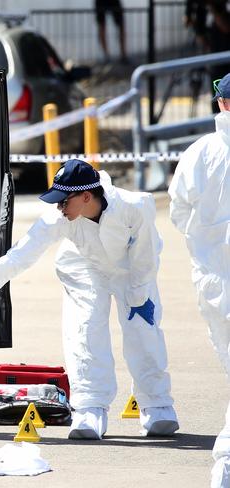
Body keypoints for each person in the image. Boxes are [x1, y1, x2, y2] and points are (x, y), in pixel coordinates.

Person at [0, 159, 179, 440]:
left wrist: (138, 296)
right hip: (84, 266)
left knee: (144, 333)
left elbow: (145, 258)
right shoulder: (58, 217)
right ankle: (90, 407)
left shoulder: (136, 207)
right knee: (84, 330)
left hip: (132, 269)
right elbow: (20, 256)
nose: (59, 206)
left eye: (64, 200)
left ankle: (157, 404)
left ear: (87, 196)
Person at [168, 72, 230, 486]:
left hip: (215, 283)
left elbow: (178, 212)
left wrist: (209, 244)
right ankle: (225, 460)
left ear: (220, 104)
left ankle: (225, 462)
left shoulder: (199, 152)